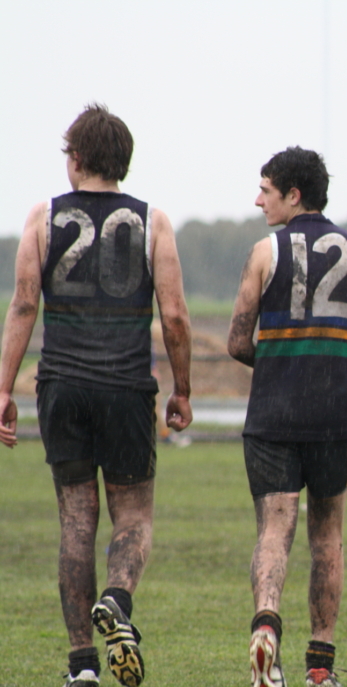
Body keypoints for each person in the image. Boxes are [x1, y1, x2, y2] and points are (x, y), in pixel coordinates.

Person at [0, 103, 193, 687]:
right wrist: (182, 389)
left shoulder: (42, 218)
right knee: (133, 517)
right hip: (127, 387)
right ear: (123, 163)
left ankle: (81, 664)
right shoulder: (152, 222)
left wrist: (4, 387)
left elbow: (24, 305)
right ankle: (118, 600)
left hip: (60, 384)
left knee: (76, 522)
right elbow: (177, 316)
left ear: (75, 158)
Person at [227, 146, 347, 687]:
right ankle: (319, 667)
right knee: (328, 536)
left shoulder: (263, 252)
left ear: (293, 195)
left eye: (266, 190)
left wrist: (276, 366)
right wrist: (342, 366)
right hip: (333, 415)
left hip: (273, 412)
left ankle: (266, 628)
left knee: (274, 528)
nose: (258, 200)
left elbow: (236, 340)